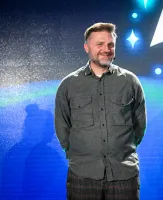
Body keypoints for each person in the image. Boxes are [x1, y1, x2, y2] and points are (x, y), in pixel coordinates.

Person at [54, 22, 147, 200]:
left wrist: (121, 151)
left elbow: (139, 126)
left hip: (124, 176)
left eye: (110, 44)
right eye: (100, 44)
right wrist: (80, 156)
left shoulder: (130, 82)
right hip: (83, 176)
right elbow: (62, 128)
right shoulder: (69, 85)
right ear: (86, 47)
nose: (106, 49)